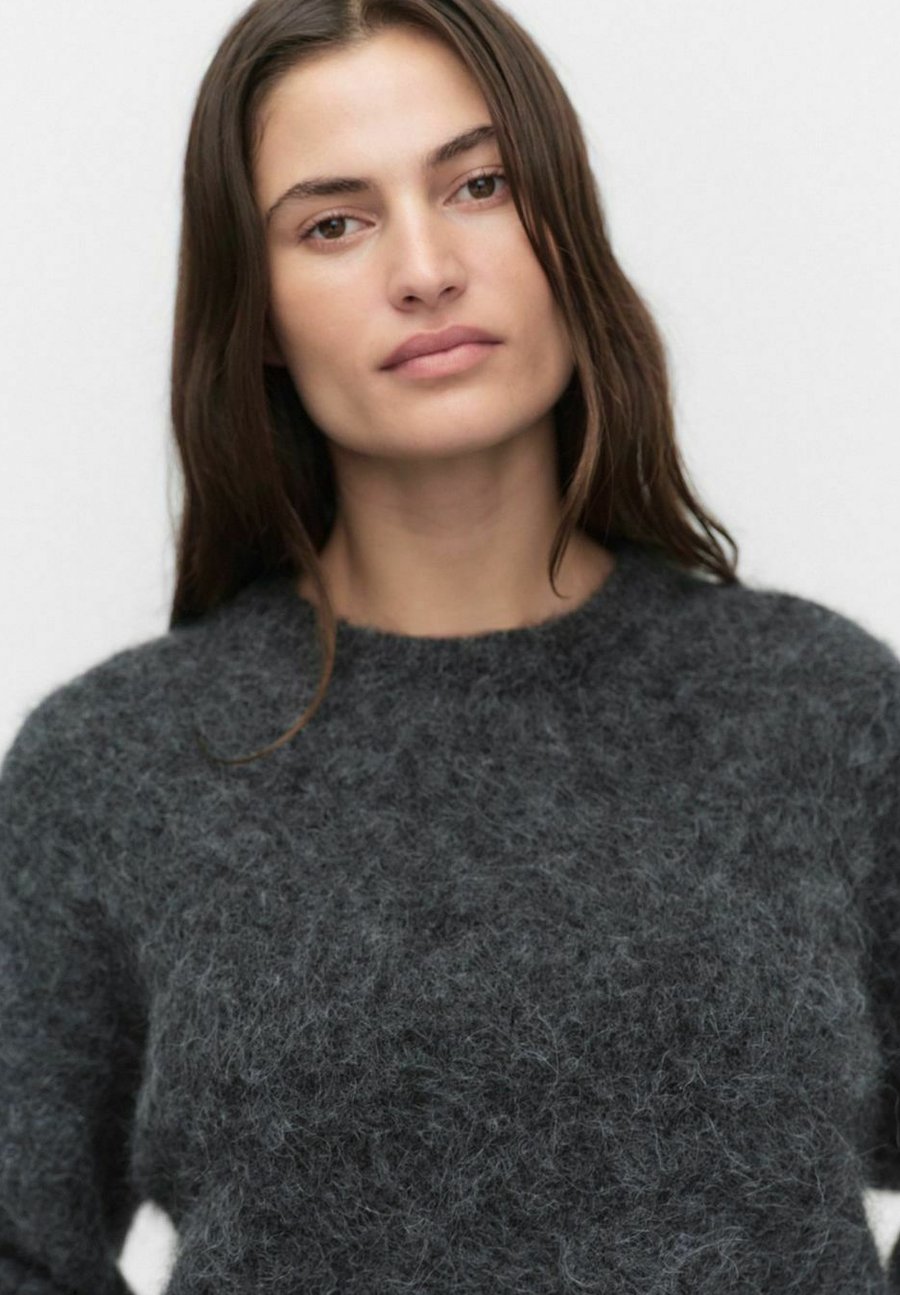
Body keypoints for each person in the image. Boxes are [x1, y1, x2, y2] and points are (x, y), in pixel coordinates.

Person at [1, 1, 899, 1292]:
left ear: (565, 230)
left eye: (480, 185)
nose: (423, 269)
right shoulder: (115, 767)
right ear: (258, 312)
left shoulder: (825, 710)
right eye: (334, 223)